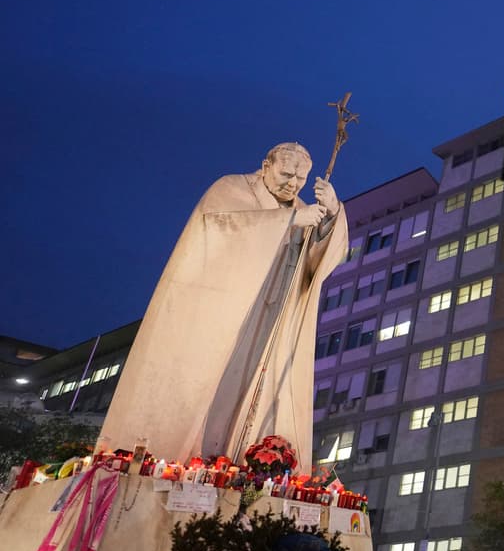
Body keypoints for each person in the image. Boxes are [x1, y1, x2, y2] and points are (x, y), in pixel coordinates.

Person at [100, 142, 348, 470]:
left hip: (270, 319)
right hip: (223, 312)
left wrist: (331, 216)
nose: (292, 183)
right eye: (286, 174)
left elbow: (314, 267)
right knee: (206, 390)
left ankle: (237, 463)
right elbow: (217, 229)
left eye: (300, 179)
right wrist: (288, 220)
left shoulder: (304, 209)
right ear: (265, 165)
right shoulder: (231, 188)